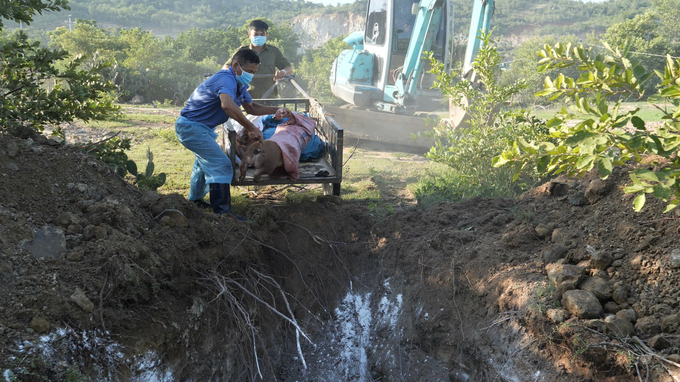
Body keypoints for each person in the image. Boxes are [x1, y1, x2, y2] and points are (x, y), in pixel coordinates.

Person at [175, 48, 290, 217]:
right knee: (221, 165)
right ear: (236, 65)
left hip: (201, 128)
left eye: (254, 72)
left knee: (203, 162)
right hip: (191, 128)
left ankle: (195, 200)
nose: (251, 75)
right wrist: (250, 127)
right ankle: (223, 213)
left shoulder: (239, 84)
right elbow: (227, 105)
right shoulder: (225, 79)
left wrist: (276, 109)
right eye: (249, 71)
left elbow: (251, 107)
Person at [223, 19, 293, 99]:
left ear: (266, 34)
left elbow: (289, 69)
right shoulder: (243, 51)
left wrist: (283, 72)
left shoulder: (274, 51)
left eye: (262, 34)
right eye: (256, 34)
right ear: (249, 34)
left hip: (270, 99)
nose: (259, 37)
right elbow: (226, 67)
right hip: (247, 99)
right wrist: (236, 74)